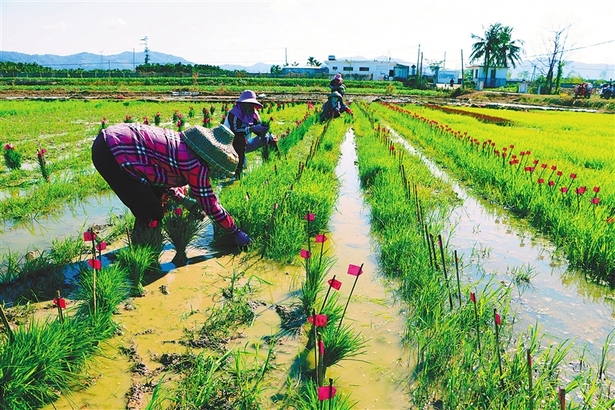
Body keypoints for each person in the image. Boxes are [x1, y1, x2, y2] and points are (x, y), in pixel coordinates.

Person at [91, 122, 251, 246]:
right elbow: (210, 204)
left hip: (110, 140)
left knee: (152, 199)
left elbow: (157, 177)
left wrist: (183, 200)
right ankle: (145, 251)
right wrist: (235, 231)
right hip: (112, 151)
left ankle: (142, 246)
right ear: (213, 158)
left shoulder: (182, 145)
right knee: (151, 211)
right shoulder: (196, 165)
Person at [224, 90, 275, 180]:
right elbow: (235, 131)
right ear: (242, 103)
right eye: (247, 103)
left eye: (251, 103)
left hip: (246, 143)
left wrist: (262, 132)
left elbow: (257, 128)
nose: (250, 105)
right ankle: (237, 173)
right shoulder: (234, 113)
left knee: (269, 138)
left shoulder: (252, 113)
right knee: (240, 140)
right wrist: (251, 129)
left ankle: (272, 163)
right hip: (230, 145)